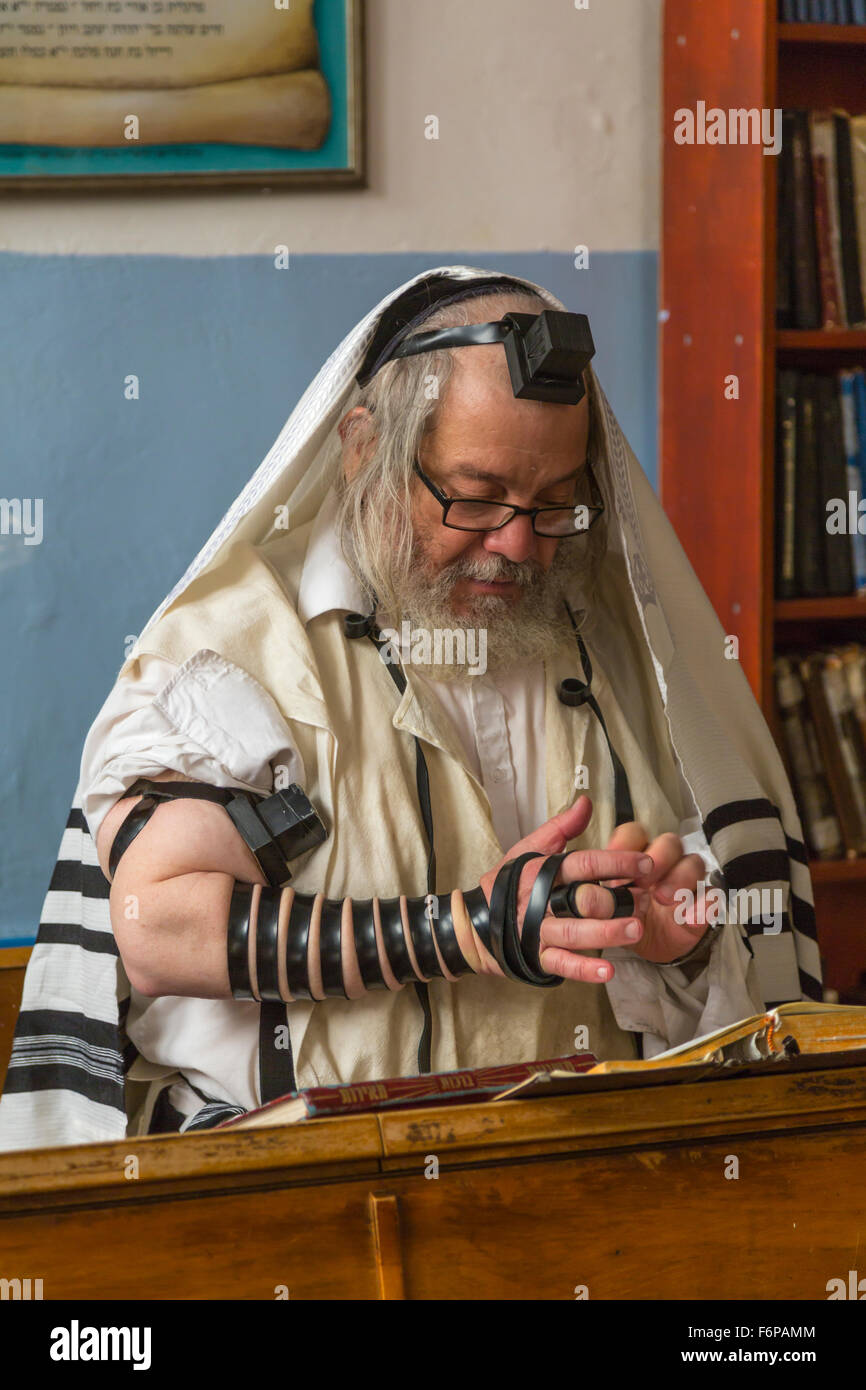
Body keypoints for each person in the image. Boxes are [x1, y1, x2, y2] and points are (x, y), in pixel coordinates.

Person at [0, 267, 820, 1150]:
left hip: (577, 1197)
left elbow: (729, 983)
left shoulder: (628, 656)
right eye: (473, 496)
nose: (513, 544)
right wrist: (465, 928)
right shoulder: (235, 653)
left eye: (552, 507)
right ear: (365, 447)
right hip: (286, 1212)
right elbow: (152, 927)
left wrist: (679, 942)